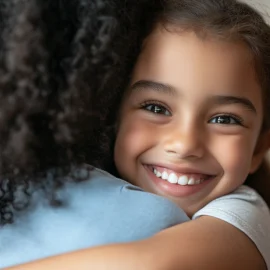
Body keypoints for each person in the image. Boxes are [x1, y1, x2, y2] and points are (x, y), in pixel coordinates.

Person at [1, 0, 270, 269]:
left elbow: (151, 264)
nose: (185, 144)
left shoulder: (247, 212)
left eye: (224, 119)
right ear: (112, 115)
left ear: (259, 147)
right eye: (156, 108)